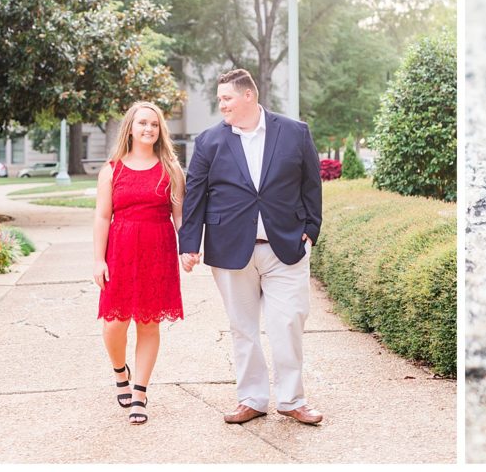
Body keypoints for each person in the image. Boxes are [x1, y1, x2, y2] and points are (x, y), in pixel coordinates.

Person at [178, 68, 323, 425]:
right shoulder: (209, 141)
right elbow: (195, 193)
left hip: (285, 247)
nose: (221, 104)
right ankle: (252, 399)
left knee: (287, 323)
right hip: (230, 249)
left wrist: (311, 230)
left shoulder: (294, 132)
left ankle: (292, 400)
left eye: (226, 98)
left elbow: (311, 184)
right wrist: (189, 244)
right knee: (242, 327)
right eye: (219, 99)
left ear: (248, 97)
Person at [93, 101, 185, 425]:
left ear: (160, 130)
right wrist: (97, 261)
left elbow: (179, 217)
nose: (148, 129)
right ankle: (120, 370)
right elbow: (103, 216)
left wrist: (187, 250)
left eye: (154, 124)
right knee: (114, 323)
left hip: (157, 252)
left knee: (149, 323)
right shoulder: (112, 169)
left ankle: (140, 392)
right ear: (130, 127)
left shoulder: (170, 168)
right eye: (142, 123)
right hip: (119, 252)